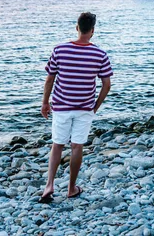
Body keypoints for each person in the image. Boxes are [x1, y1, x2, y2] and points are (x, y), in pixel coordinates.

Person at [39, 12, 113, 203]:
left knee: (57, 145)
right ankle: (71, 188)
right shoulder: (100, 54)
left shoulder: (60, 50)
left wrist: (45, 102)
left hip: (62, 106)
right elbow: (107, 84)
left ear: (77, 27)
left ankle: (49, 186)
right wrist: (95, 106)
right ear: (93, 31)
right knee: (76, 146)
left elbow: (50, 78)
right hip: (85, 108)